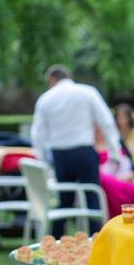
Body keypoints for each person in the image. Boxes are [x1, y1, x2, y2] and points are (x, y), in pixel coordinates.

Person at [30, 65, 121, 237]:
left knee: (65, 200)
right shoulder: (87, 92)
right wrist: (115, 151)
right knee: (92, 198)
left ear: (51, 80)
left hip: (60, 156)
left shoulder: (45, 99)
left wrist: (42, 161)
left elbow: (38, 133)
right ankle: (97, 239)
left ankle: (56, 240)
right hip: (84, 153)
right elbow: (106, 122)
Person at [94, 126, 134, 218]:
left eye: (100, 128)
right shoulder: (90, 148)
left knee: (108, 181)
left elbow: (130, 170)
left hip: (120, 179)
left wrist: (117, 179)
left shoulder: (115, 145)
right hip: (103, 184)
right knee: (104, 180)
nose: (98, 131)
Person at [114, 104, 134, 175]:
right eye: (118, 116)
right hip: (117, 161)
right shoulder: (114, 130)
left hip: (133, 162)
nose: (121, 118)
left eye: (124, 116)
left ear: (129, 117)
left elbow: (130, 150)